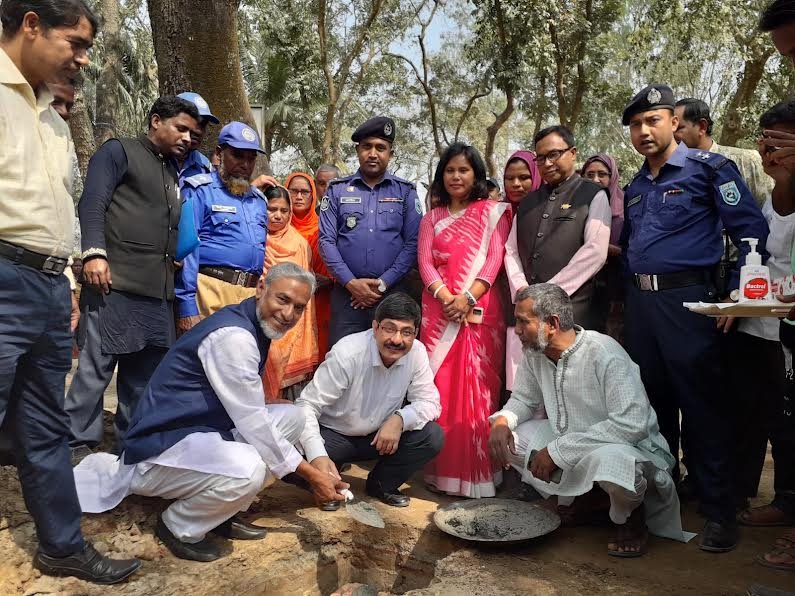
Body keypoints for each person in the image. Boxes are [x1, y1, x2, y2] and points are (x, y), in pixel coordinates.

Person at [73, 263, 348, 562]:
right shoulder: (236, 338)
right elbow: (254, 424)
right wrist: (311, 475)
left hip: (199, 433)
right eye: (282, 300)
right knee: (251, 469)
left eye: (298, 307)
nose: (288, 314)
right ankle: (180, 526)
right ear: (260, 290)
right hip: (160, 448)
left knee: (291, 418)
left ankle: (222, 510)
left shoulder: (250, 323)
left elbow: (247, 405)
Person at [0, 0, 140, 583]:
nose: (82, 60)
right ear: (31, 23)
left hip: (49, 289)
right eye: (75, 44)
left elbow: (55, 212)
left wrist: (64, 280)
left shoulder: (52, 119)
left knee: (44, 428)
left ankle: (62, 547)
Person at [621, 83, 769, 552]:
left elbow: (751, 232)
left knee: (703, 409)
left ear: (673, 123)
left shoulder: (710, 170)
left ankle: (721, 510)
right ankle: (664, 502)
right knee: (652, 409)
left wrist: (732, 295)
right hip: (643, 308)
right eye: (636, 125)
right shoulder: (636, 185)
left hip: (690, 304)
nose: (644, 131)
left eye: (653, 121)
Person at [487, 284, 688, 557]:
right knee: (511, 438)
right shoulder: (536, 352)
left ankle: (631, 517)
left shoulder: (604, 353)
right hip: (570, 443)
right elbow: (524, 399)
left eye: (524, 322)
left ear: (552, 324)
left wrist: (558, 451)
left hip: (626, 449)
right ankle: (587, 501)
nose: (518, 330)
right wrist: (502, 421)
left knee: (613, 462)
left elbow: (631, 425)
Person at [64, 96, 199, 452]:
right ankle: (77, 445)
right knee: (95, 371)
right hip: (113, 284)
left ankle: (132, 447)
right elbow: (92, 201)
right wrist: (94, 253)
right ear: (156, 121)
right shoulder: (118, 152)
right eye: (180, 128)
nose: (187, 138)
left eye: (192, 133)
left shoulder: (171, 171)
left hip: (156, 294)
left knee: (144, 378)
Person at [419, 142, 511, 497]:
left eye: (464, 170)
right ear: (442, 176)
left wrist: (467, 297)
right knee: (440, 390)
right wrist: (446, 297)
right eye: (450, 170)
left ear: (476, 175)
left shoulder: (493, 214)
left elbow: (494, 259)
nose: (456, 176)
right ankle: (440, 472)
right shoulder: (432, 218)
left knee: (479, 392)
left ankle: (479, 475)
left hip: (480, 312)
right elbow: (425, 262)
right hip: (439, 314)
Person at [295, 292, 443, 507]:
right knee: (293, 457)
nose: (396, 340)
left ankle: (382, 485)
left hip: (378, 438)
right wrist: (317, 455)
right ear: (375, 328)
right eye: (389, 329)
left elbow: (430, 402)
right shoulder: (348, 353)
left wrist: (400, 419)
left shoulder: (417, 353)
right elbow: (306, 405)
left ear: (415, 333)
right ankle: (326, 487)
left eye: (406, 332)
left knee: (431, 436)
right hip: (334, 437)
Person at [503, 126, 611, 391]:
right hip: (526, 314)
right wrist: (522, 291)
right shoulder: (528, 203)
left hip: (572, 313)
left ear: (572, 153)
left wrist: (549, 295)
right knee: (527, 391)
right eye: (541, 158)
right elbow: (511, 250)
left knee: (572, 390)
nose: (547, 163)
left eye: (554, 155)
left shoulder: (592, 195)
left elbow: (595, 251)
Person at [319, 116, 422, 346]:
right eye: (367, 147)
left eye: (380, 148)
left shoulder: (406, 192)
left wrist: (384, 282)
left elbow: (413, 242)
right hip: (347, 298)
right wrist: (351, 283)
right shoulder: (337, 190)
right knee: (342, 363)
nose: (373, 153)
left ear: (390, 153)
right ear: (357, 150)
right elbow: (326, 241)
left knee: (392, 363)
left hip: (393, 294)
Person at [175, 121, 268, 335]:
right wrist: (187, 306)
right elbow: (188, 251)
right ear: (220, 153)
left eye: (251, 158)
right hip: (209, 291)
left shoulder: (259, 201)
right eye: (238, 155)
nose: (245, 164)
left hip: (249, 295)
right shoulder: (199, 190)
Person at [261, 186, 319, 401]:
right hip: (260, 318)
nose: (277, 215)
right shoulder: (255, 239)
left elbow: (305, 292)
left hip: (292, 326)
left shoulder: (300, 244)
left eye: (284, 210)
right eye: (271, 209)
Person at [674, 98, 772, 209]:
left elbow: (769, 211)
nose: (672, 135)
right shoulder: (671, 170)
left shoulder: (746, 161)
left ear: (702, 127)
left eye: (678, 128)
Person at [287, 171, 333, 360]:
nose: (298, 197)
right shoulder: (276, 226)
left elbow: (330, 273)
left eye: (304, 192)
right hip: (284, 303)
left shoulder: (324, 228)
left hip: (319, 303)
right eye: (293, 191)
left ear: (313, 195)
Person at [581, 153, 625, 343]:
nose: (596, 180)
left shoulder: (626, 211)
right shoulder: (574, 208)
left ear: (612, 177)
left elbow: (632, 251)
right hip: (582, 292)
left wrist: (601, 247)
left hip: (614, 291)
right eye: (589, 175)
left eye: (602, 174)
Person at [175, 91, 219, 184]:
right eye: (193, 122)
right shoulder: (153, 161)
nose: (198, 131)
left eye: (203, 124)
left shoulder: (204, 166)